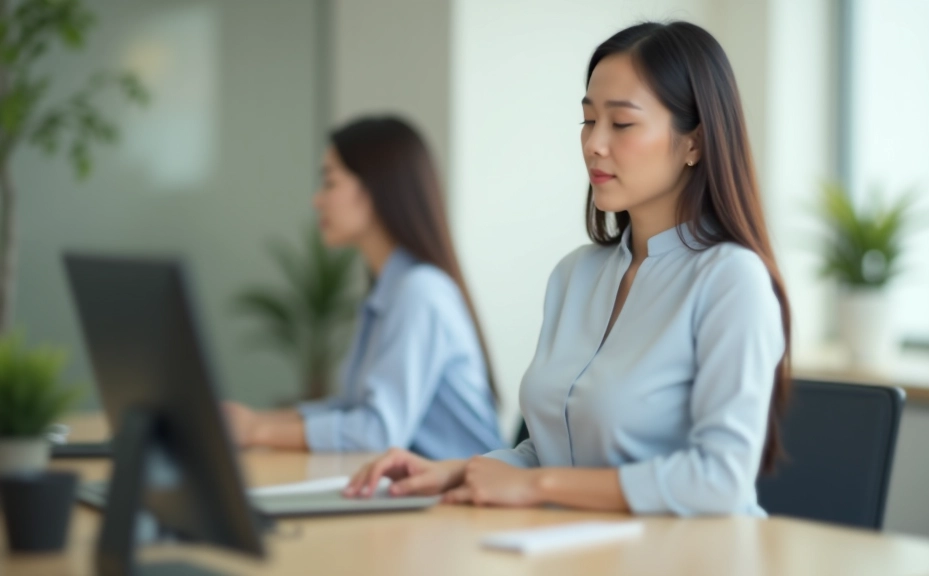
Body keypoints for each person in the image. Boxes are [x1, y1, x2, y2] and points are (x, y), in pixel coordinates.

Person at [344, 21, 791, 517]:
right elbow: (550, 449)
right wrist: (456, 469)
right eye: (587, 121)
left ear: (694, 143)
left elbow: (719, 482)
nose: (594, 144)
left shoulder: (731, 280)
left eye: (621, 124)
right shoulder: (574, 276)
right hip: (579, 548)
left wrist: (538, 487)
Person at [223, 117, 505, 459]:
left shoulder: (420, 292)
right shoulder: (388, 290)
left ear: (376, 188)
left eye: (329, 183)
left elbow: (378, 432)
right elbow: (351, 408)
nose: (317, 200)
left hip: (470, 505)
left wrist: (257, 431)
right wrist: (253, 420)